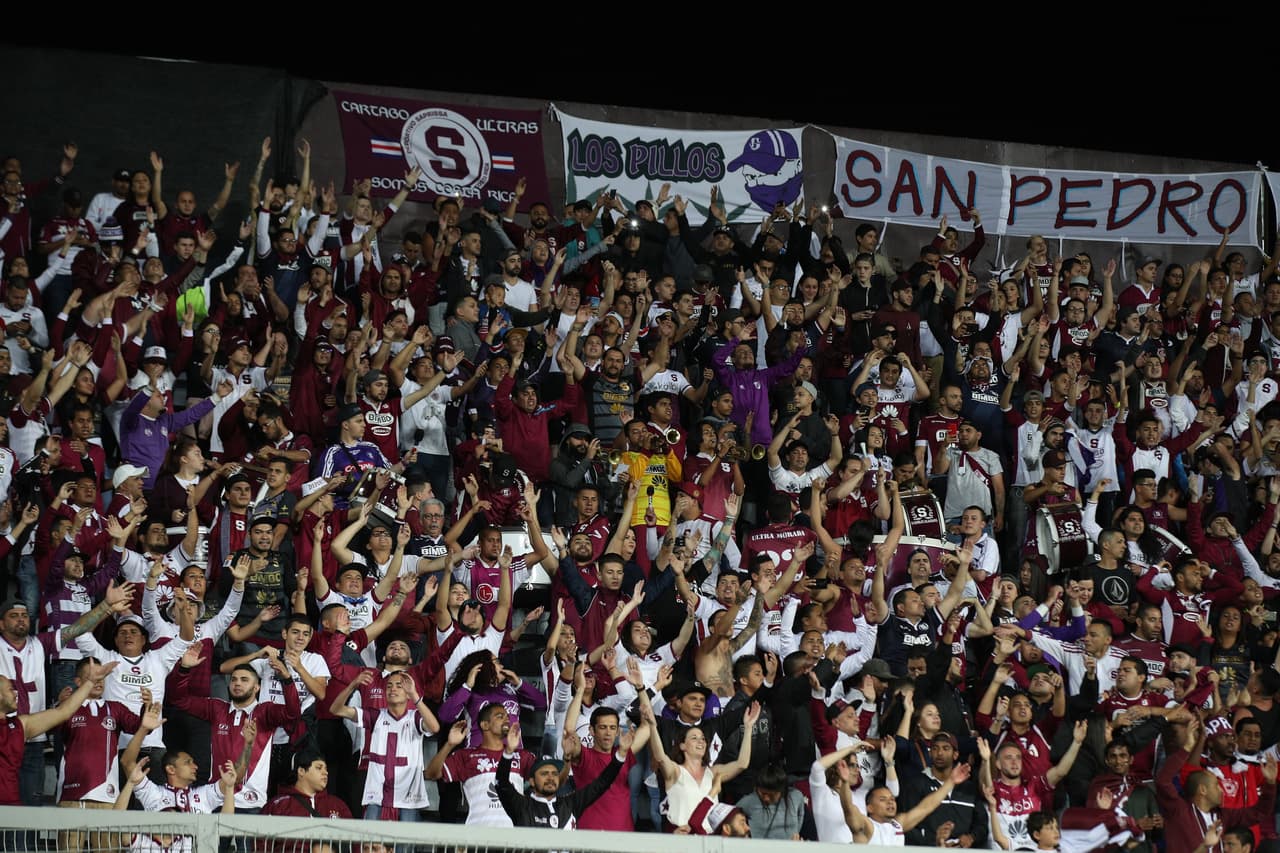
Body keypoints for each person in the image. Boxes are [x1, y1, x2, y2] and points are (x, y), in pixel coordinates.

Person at [496, 722, 632, 829]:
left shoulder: (570, 804)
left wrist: (621, 754)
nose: (550, 777)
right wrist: (508, 751)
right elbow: (501, 783)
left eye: (554, 773)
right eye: (544, 773)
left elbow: (602, 782)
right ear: (531, 781)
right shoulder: (521, 805)